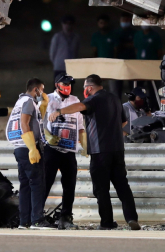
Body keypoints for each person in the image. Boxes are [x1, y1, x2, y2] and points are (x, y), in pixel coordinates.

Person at [49, 74, 140, 230]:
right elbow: (123, 122)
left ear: (89, 88)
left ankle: (106, 222)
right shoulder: (115, 99)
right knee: (122, 186)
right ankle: (132, 218)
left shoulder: (94, 99)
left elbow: (79, 107)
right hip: (118, 149)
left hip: (100, 151)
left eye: (85, 87)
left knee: (101, 188)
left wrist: (59, 111)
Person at [6, 78, 54, 230]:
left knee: (26, 185)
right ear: (36, 90)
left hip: (20, 148)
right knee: (37, 183)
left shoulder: (19, 102)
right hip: (28, 147)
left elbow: (34, 120)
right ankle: (37, 220)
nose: (43, 93)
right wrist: (33, 148)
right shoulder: (28, 102)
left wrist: (43, 106)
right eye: (42, 89)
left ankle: (24, 221)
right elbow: (25, 123)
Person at [42, 74, 85, 230]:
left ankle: (66, 217)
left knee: (70, 185)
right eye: (64, 84)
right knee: (45, 182)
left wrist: (84, 145)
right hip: (51, 149)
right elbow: (39, 123)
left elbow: (80, 126)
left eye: (70, 84)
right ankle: (37, 216)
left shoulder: (75, 101)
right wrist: (47, 136)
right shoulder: (47, 100)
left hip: (69, 151)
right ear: (57, 84)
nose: (68, 86)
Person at [110, 13, 136, 99]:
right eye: (123, 20)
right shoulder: (115, 32)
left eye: (127, 20)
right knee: (116, 89)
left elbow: (135, 45)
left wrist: (124, 45)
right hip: (118, 64)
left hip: (132, 63)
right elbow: (115, 47)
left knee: (133, 88)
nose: (125, 22)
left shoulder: (134, 32)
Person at [50, 15, 80, 82]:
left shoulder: (76, 37)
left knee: (70, 88)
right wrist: (56, 63)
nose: (68, 26)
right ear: (62, 24)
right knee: (58, 89)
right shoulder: (57, 37)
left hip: (71, 67)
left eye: (70, 24)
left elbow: (76, 52)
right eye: (65, 23)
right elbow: (52, 53)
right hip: (59, 67)